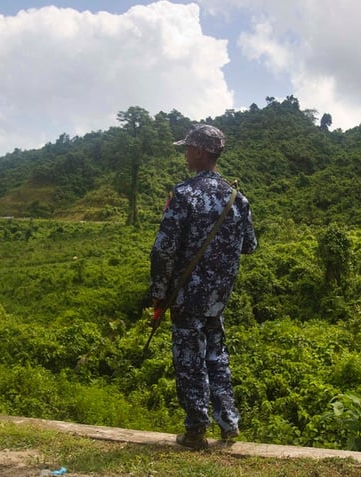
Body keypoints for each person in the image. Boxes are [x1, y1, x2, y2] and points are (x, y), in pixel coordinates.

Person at [149, 124, 257, 450]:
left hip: (186, 296)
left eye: (187, 149)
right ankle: (228, 423)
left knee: (189, 360)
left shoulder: (183, 195)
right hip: (217, 298)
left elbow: (163, 250)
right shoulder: (238, 199)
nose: (184, 154)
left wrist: (158, 295)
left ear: (198, 152)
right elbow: (249, 245)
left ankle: (196, 430)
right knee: (216, 355)